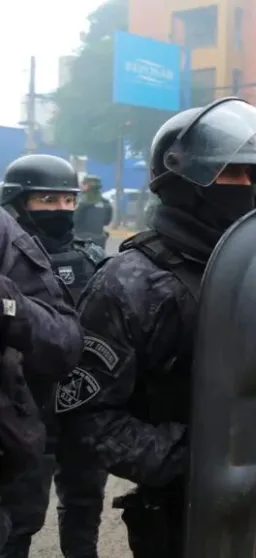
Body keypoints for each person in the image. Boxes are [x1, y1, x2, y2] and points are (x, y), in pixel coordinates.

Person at [55, 98, 256, 557]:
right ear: (184, 183)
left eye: (252, 175)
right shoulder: (130, 283)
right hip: (183, 514)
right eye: (229, 173)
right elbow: (87, 418)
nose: (246, 187)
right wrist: (196, 457)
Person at [0, 154, 107, 558]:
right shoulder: (10, 264)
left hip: (83, 402)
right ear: (19, 203)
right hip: (25, 408)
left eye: (67, 201)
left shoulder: (93, 258)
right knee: (19, 516)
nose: (61, 210)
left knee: (84, 506)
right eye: (48, 200)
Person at [73, 175, 112, 249]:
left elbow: (74, 219)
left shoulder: (81, 202)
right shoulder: (105, 203)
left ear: (87, 186)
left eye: (83, 184)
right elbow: (107, 222)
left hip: (81, 239)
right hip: (99, 238)